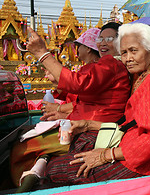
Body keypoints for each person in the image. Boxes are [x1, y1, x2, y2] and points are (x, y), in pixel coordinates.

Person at [45, 23, 150, 185]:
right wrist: (88, 124)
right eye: (124, 52)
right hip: (132, 149)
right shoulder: (143, 75)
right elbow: (133, 125)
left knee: (54, 170)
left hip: (143, 162)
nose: (128, 58)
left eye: (134, 51)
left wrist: (105, 155)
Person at [11, 23, 131, 188]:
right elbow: (82, 96)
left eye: (109, 38)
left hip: (93, 131)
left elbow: (78, 85)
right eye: (100, 38)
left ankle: (21, 188)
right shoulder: (106, 65)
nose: (103, 43)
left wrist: (42, 53)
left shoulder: (112, 64)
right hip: (84, 125)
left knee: (23, 148)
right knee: (25, 136)